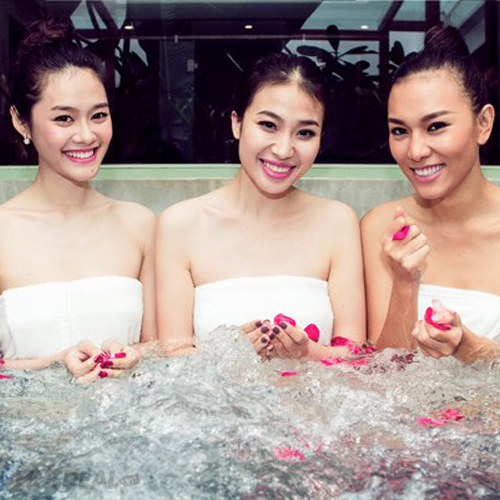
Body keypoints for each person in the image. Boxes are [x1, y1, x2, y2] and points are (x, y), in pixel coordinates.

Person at [156, 53, 365, 361]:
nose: (284, 149)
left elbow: (357, 358)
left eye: (305, 133)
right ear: (237, 123)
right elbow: (172, 358)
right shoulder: (180, 225)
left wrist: (309, 353)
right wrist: (228, 359)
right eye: (268, 125)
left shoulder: (337, 222)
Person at [0, 19, 156, 381]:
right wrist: (54, 363)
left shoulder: (139, 224)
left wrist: (135, 357)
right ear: (22, 122)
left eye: (98, 115)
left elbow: (164, 348)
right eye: (64, 118)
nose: (86, 135)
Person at [361, 25, 500, 363]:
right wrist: (405, 283)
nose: (416, 151)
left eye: (436, 126)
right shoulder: (381, 226)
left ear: (483, 123)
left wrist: (471, 349)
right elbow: (381, 375)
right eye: (400, 131)